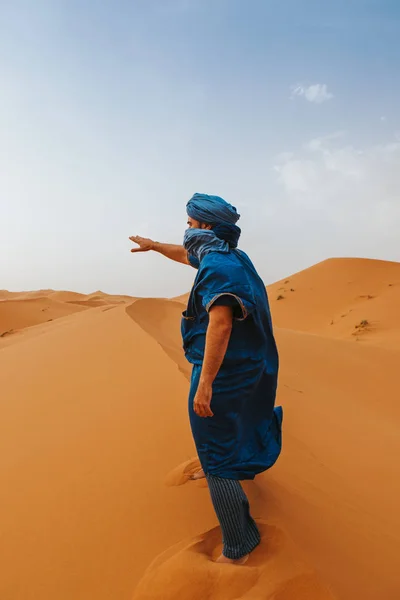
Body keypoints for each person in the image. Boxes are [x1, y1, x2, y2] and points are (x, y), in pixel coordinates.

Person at [130, 193, 282, 565]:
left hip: (227, 371)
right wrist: (154, 246)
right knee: (239, 423)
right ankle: (238, 463)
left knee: (213, 446)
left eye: (189, 223)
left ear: (206, 227)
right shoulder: (229, 257)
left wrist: (206, 383)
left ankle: (240, 543)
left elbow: (221, 322)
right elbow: (187, 256)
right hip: (252, 362)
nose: (185, 230)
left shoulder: (221, 269)